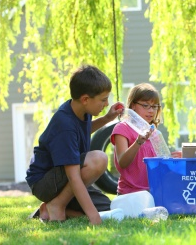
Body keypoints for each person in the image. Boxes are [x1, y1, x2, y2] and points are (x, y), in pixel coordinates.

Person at [26, 65, 124, 225]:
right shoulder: (64, 124)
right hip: (44, 182)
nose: (106, 103)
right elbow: (73, 176)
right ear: (86, 99)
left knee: (107, 207)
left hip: (63, 179)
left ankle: (47, 209)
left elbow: (81, 131)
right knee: (98, 159)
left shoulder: (80, 111)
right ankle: (57, 205)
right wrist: (94, 217)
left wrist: (107, 118)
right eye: (103, 99)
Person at [111, 83, 181, 195]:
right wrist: (138, 142)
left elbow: (161, 167)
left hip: (154, 191)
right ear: (133, 105)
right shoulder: (122, 128)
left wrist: (174, 160)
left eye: (154, 106)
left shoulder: (155, 133)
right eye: (145, 105)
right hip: (131, 194)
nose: (151, 111)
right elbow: (123, 162)